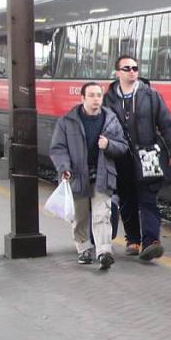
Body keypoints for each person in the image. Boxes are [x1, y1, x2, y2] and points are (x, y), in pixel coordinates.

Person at [104, 55, 171, 261]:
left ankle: (151, 242)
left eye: (135, 68)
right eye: (127, 68)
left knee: (148, 199)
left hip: (148, 154)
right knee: (127, 199)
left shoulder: (151, 95)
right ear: (118, 73)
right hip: (121, 155)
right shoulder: (109, 97)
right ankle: (133, 240)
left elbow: (167, 123)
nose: (132, 71)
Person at [49, 82, 129, 270]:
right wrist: (64, 168)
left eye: (99, 95)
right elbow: (58, 148)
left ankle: (104, 252)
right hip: (77, 174)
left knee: (103, 214)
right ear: (82, 98)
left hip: (102, 174)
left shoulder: (110, 120)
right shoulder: (67, 121)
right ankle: (84, 248)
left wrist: (109, 145)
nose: (96, 99)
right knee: (80, 216)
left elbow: (123, 146)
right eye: (91, 95)